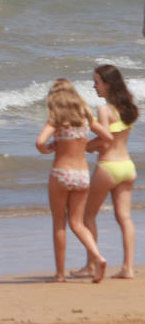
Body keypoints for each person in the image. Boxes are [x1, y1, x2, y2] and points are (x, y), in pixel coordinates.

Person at [35, 79, 111, 282]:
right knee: (77, 223)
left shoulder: (56, 120)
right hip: (82, 175)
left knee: (59, 223)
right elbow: (107, 138)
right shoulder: (86, 118)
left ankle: (60, 274)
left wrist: (48, 148)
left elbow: (40, 142)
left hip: (61, 173)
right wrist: (88, 145)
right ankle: (97, 256)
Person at [79, 64, 136, 279]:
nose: (94, 86)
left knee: (87, 216)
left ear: (108, 84)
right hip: (127, 166)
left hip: (109, 166)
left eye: (97, 82)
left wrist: (85, 146)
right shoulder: (129, 108)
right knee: (125, 218)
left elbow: (104, 141)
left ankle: (91, 265)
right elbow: (116, 136)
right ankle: (128, 268)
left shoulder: (104, 110)